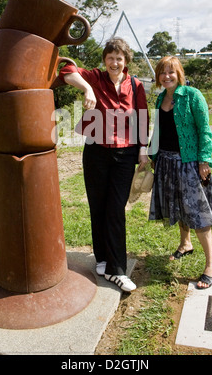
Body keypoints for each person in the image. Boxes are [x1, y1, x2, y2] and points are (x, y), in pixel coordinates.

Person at [59, 37, 149, 292]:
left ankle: (116, 269)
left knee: (115, 209)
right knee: (97, 205)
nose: (114, 62)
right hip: (96, 151)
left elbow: (142, 118)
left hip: (125, 154)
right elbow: (66, 70)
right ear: (105, 60)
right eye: (110, 57)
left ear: (126, 61)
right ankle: (102, 258)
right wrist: (87, 89)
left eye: (119, 58)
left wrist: (143, 150)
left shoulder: (136, 85)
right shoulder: (95, 78)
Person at [148, 56, 212, 289]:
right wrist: (154, 156)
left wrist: (205, 160)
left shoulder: (193, 96)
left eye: (171, 72)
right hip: (166, 162)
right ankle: (185, 244)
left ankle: (211, 263)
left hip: (189, 162)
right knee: (177, 207)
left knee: (198, 211)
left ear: (179, 73)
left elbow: (204, 130)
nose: (166, 76)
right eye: (162, 72)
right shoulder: (160, 99)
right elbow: (158, 131)